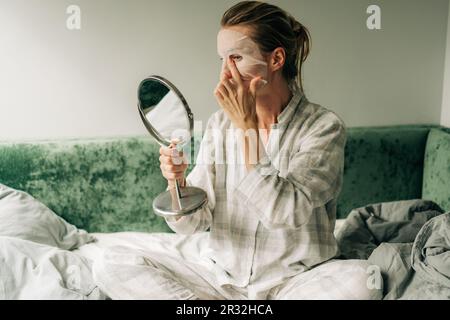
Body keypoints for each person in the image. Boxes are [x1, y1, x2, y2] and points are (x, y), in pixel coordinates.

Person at [93, 1, 383, 300]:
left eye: (236, 58)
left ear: (276, 59)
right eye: (221, 59)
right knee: (109, 261)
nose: (224, 74)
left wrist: (247, 129)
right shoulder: (220, 125)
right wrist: (177, 183)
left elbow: (283, 213)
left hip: (296, 281)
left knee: (365, 281)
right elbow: (195, 222)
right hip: (221, 280)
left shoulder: (322, 127)